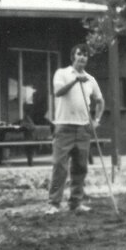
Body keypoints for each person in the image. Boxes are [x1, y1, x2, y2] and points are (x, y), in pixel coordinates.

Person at [46, 44, 104, 215]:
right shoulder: (62, 73)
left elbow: (100, 101)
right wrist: (75, 81)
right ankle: (54, 204)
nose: (82, 58)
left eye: (85, 55)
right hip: (64, 126)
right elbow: (58, 92)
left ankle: (76, 203)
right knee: (59, 166)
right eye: (79, 54)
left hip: (83, 128)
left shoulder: (91, 79)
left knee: (80, 167)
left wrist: (97, 120)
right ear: (73, 56)